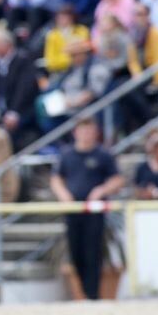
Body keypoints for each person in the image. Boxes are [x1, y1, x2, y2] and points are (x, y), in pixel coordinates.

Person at [50, 117, 124, 300]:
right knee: (76, 253)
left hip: (94, 212)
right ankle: (84, 292)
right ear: (76, 133)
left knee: (93, 252)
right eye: (83, 130)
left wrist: (101, 190)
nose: (86, 134)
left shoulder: (103, 155)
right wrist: (63, 195)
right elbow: (56, 178)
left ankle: (92, 294)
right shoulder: (67, 155)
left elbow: (117, 179)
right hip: (73, 210)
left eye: (90, 130)